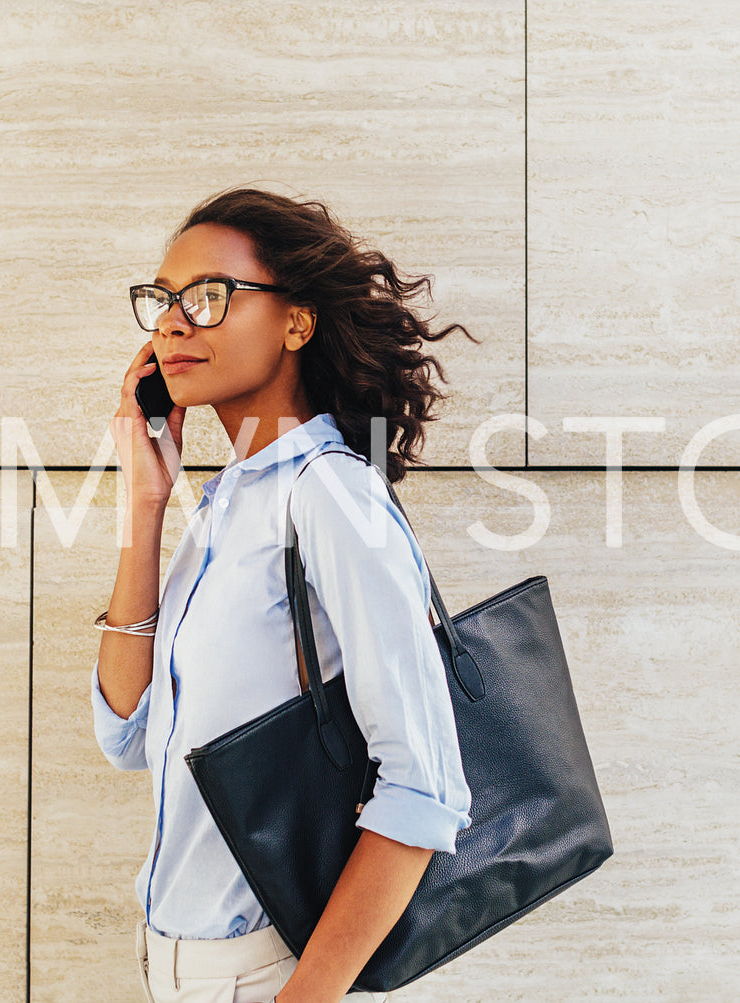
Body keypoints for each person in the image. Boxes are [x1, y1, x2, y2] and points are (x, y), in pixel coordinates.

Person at [90, 187, 478, 1003]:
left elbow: (425, 785)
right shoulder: (230, 505)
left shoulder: (329, 496)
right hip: (174, 965)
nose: (171, 324)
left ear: (296, 323)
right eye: (161, 302)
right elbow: (127, 732)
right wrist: (146, 503)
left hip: (264, 971)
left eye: (207, 296)